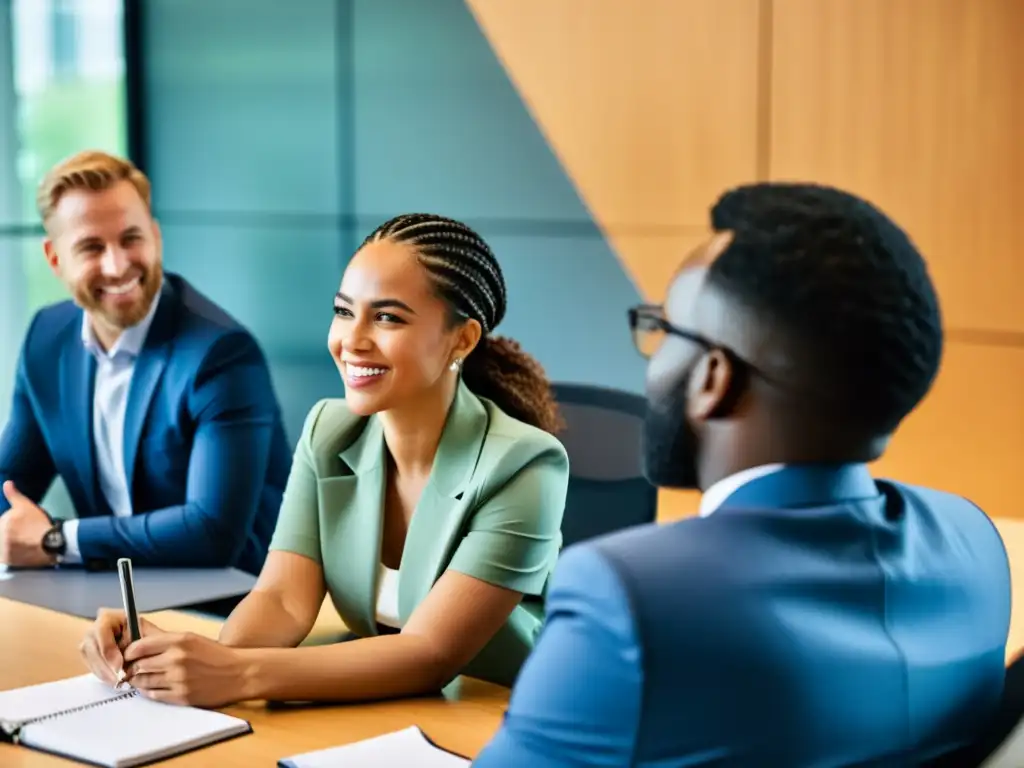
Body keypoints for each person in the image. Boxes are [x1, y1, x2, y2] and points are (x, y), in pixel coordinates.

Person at [474, 183, 1012, 766]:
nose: (652, 359)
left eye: (663, 329)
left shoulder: (628, 598)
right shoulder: (974, 541)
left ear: (712, 377)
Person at [78, 212, 570, 707]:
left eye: (388, 317)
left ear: (461, 339)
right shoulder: (329, 431)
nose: (351, 340)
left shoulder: (526, 465)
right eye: (343, 311)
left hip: (499, 713)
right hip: (384, 709)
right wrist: (177, 659)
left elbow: (429, 654)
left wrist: (238, 673)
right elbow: (283, 600)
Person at [0, 150, 291, 575]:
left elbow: (213, 533)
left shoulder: (221, 353)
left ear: (156, 237)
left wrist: (58, 540)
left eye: (131, 238)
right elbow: (9, 484)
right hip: (111, 591)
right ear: (55, 259)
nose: (117, 265)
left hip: (225, 603)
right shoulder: (47, 338)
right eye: (91, 247)